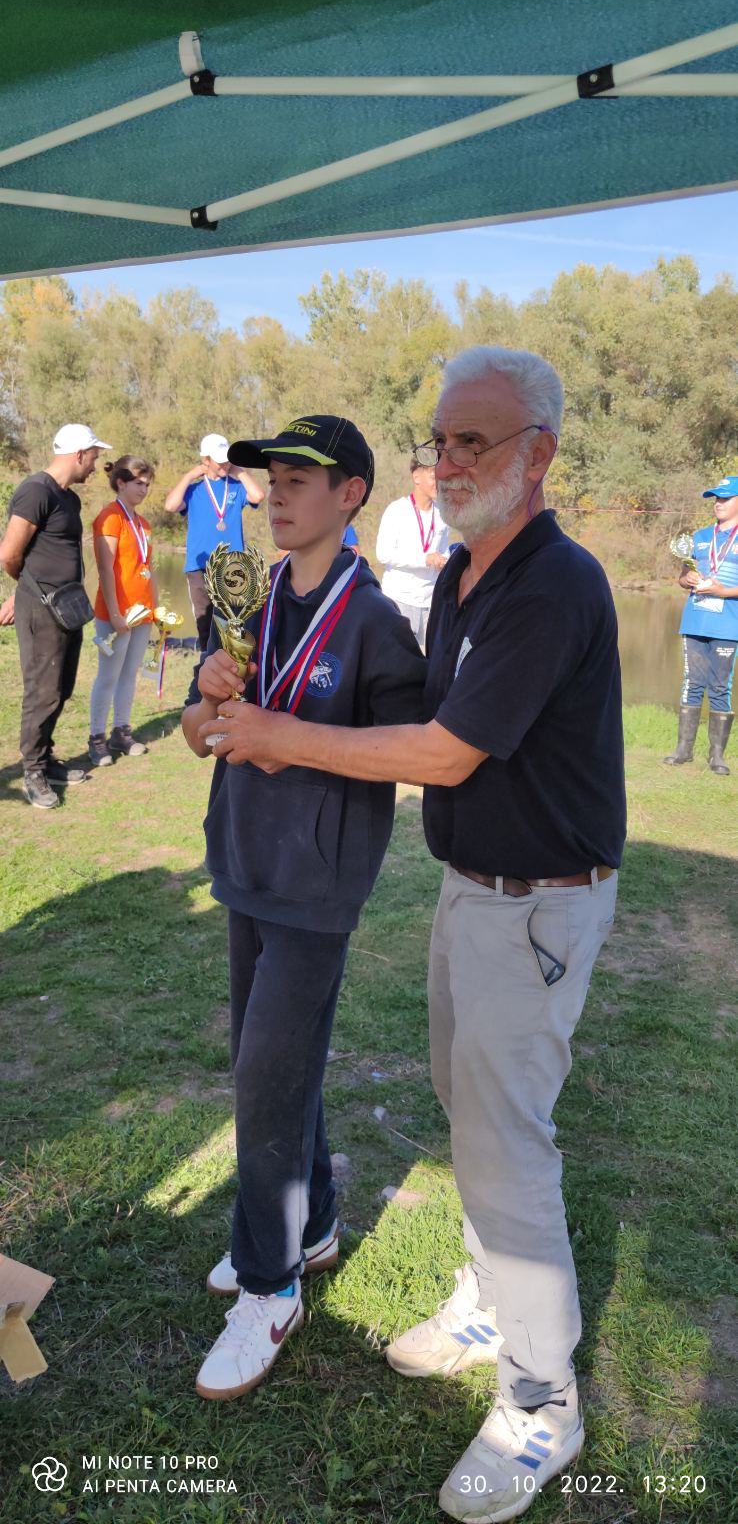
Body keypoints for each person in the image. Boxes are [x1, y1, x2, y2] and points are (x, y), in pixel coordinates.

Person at [199, 349, 626, 1522]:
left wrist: (276, 733)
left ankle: (541, 1399)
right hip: (474, 889)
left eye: (475, 441)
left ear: (540, 452)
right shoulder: (468, 572)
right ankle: (488, 1301)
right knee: (465, 1109)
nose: (450, 462)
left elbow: (440, 750)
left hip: (538, 901)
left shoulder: (553, 583)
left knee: (506, 1146)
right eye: (440, 441)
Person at [181, 414, 426, 1402]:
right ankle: (313, 1225)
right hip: (244, 862)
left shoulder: (373, 622)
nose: (276, 495)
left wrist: (293, 737)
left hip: (318, 886)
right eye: (270, 479)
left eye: (299, 479)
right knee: (273, 1066)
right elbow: (200, 732)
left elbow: (410, 751)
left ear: (350, 493)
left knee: (264, 1080)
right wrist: (208, 697)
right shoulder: (248, 594)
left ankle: (269, 1285)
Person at [0, 422, 112, 810]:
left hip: (67, 607)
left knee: (61, 688)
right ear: (78, 454)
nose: (95, 466)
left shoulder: (69, 499)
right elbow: (9, 554)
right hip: (42, 608)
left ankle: (46, 759)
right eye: (93, 457)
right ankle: (32, 771)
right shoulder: (36, 490)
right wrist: (28, 591)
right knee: (42, 691)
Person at [664, 473, 738, 775]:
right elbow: (682, 578)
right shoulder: (699, 537)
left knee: (720, 687)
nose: (718, 503)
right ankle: (683, 750)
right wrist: (688, 578)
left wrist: (723, 591)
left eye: (725, 498)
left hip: (728, 625)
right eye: (716, 499)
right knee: (691, 683)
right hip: (695, 621)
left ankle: (717, 756)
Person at [88, 456, 159, 767]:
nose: (144, 489)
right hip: (116, 614)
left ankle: (121, 731)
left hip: (141, 612)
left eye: (147, 484)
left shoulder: (143, 524)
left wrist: (156, 608)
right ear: (121, 483)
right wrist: (115, 614)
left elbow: (148, 568)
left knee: (130, 674)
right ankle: (96, 738)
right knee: (109, 675)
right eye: (138, 483)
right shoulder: (109, 517)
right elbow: (105, 569)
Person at [164, 433, 264, 650]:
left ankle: (233, 664)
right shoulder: (194, 490)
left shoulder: (236, 487)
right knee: (205, 622)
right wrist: (189, 476)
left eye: (228, 459)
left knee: (233, 621)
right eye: (220, 461)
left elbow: (258, 496)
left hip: (231, 565)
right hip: (199, 567)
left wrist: (240, 472)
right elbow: (170, 506)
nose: (225, 464)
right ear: (205, 460)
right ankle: (206, 662)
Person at [376, 456, 450, 650]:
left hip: (430, 601)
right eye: (433, 477)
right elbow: (383, 553)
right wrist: (424, 560)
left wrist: (444, 560)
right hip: (400, 599)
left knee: (429, 660)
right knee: (397, 659)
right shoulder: (397, 510)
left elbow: (443, 550)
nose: (439, 483)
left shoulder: (442, 514)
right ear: (416, 477)